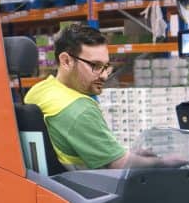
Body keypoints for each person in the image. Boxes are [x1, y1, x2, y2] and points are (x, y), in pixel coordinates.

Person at [22, 21, 128, 170]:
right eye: (95, 66)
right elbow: (119, 165)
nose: (104, 76)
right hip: (86, 188)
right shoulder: (79, 110)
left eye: (106, 67)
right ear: (66, 61)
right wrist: (163, 161)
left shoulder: (38, 90)